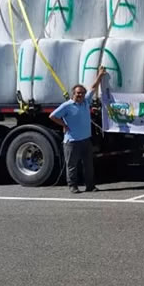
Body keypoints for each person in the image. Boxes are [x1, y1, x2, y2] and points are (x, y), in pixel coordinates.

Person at [50, 66, 108, 194]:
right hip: (72, 141)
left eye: (82, 93)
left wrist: (99, 75)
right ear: (73, 94)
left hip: (85, 140)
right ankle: (73, 186)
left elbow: (93, 88)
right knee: (72, 166)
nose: (80, 95)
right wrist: (64, 125)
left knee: (88, 165)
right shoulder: (67, 106)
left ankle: (90, 186)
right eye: (78, 93)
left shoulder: (86, 102)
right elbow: (52, 116)